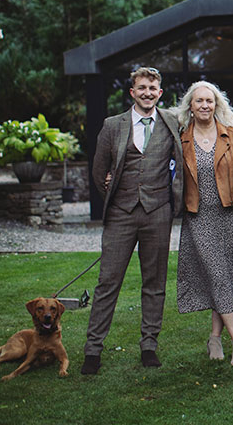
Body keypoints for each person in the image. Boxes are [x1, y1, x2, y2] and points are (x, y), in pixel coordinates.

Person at [81, 67, 183, 375]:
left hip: (158, 213)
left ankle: (149, 345)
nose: (148, 93)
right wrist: (115, 190)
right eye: (142, 88)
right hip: (121, 214)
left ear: (160, 92)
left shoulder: (171, 122)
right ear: (132, 92)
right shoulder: (113, 125)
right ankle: (93, 350)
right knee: (108, 281)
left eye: (153, 88)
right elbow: (99, 171)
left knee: (154, 283)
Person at [174, 81, 233, 367]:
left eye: (210, 100)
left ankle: (215, 337)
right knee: (218, 275)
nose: (204, 105)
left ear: (217, 104)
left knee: (227, 278)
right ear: (190, 107)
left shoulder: (232, 135)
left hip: (232, 214)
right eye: (199, 101)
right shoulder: (181, 139)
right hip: (199, 216)